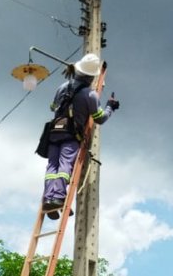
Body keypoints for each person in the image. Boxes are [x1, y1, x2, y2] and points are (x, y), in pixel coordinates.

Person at [39, 53, 119, 218]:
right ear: (91, 77)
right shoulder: (90, 95)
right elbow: (100, 118)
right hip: (71, 135)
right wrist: (110, 107)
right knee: (65, 166)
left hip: (54, 132)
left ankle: (49, 198)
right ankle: (58, 198)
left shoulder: (62, 87)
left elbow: (52, 106)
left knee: (52, 167)